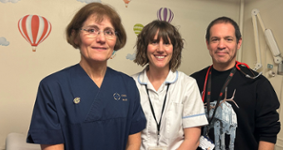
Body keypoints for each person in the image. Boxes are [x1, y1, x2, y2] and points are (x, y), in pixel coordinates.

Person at [26, 3, 146, 150]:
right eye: (92, 30)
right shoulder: (52, 87)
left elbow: (133, 143)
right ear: (75, 36)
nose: (101, 38)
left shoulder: (127, 85)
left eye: (109, 32)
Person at [191, 16, 281, 150]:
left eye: (228, 39)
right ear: (207, 44)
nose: (221, 45)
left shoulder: (257, 84)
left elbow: (268, 133)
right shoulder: (193, 82)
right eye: (215, 39)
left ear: (239, 43)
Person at [132, 20, 208, 150]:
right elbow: (129, 138)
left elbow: (193, 140)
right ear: (145, 47)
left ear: (174, 48)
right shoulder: (131, 84)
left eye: (166, 43)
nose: (160, 49)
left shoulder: (188, 85)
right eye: (154, 42)